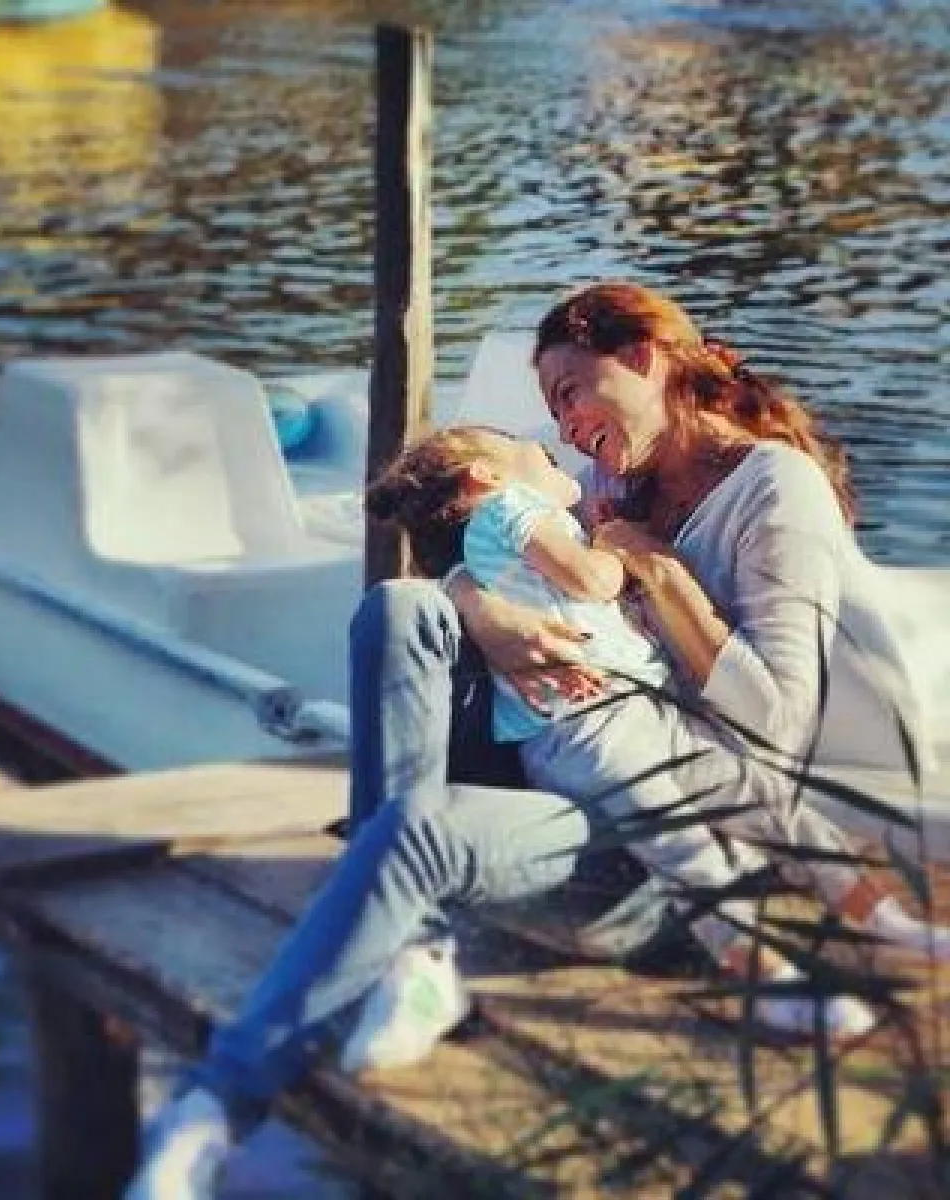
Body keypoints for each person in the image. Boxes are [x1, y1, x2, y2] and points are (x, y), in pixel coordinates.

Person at [124, 282, 944, 1200]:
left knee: (414, 835)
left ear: (645, 358)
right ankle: (417, 954)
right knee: (401, 608)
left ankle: (213, 1107)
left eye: (571, 392)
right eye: (552, 409)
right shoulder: (608, 482)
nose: (563, 425)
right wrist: (483, 609)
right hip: (560, 769)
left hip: (661, 848)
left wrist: (660, 572)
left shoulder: (773, 490)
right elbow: (494, 552)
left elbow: (778, 731)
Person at [364, 422, 946, 1003]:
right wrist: (622, 544)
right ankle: (780, 980)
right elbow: (593, 580)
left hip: (633, 714)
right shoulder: (510, 510)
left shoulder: (519, 542)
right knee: (694, 844)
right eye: (538, 451)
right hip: (588, 727)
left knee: (756, 809)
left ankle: (879, 928)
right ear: (486, 476)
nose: (555, 452)